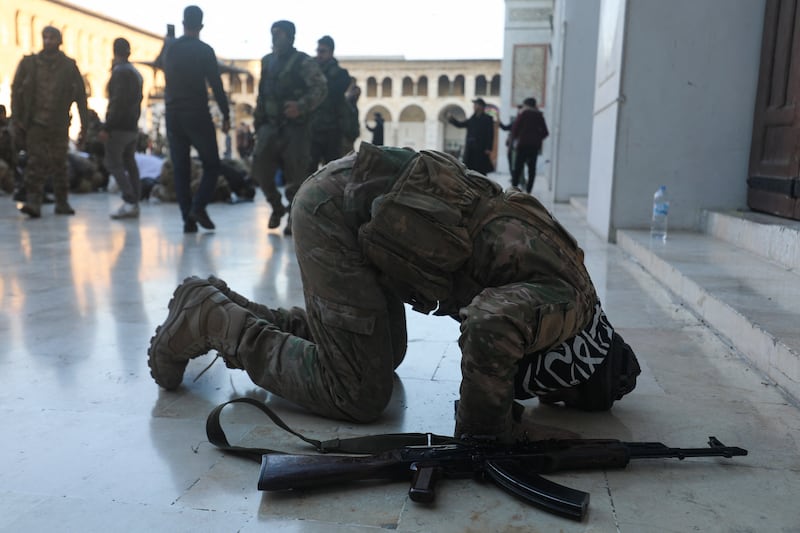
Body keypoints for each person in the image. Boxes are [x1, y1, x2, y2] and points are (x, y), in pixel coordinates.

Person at [147, 144, 641, 443]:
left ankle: (226, 308)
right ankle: (211, 320)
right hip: (340, 216)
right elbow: (491, 323)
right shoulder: (568, 308)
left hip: (364, 210)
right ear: (578, 369)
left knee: (383, 352)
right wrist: (489, 431)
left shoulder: (575, 281)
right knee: (360, 391)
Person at [251, 20, 327, 236]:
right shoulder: (267, 61)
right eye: (273, 33)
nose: (275, 38)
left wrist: (301, 106)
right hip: (270, 125)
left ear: (291, 37)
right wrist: (258, 122)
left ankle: (294, 218)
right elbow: (262, 94)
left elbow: (320, 88)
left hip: (295, 128)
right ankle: (276, 206)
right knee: (260, 170)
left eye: (280, 34)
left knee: (297, 175)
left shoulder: (303, 62)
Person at [162, 5, 231, 233]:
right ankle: (198, 206)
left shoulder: (170, 49)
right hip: (196, 113)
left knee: (181, 168)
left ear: (183, 23)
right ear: (201, 25)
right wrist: (226, 114)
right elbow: (216, 85)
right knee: (212, 164)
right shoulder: (204, 50)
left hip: (173, 114)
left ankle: (187, 221)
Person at [11, 25, 89, 218]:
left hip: (59, 123)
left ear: (59, 41)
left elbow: (81, 97)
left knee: (60, 163)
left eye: (52, 38)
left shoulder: (69, 66)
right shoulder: (30, 64)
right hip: (35, 122)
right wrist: (17, 118)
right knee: (34, 162)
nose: (47, 41)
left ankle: (62, 202)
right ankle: (33, 202)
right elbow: (16, 91)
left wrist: (84, 126)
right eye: (45, 37)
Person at [100, 37, 144, 220]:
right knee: (129, 162)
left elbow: (117, 102)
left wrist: (107, 127)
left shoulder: (120, 72)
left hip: (119, 127)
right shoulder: (135, 72)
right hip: (132, 125)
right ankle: (135, 201)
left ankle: (130, 200)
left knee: (114, 163)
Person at [308, 35, 352, 174]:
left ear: (331, 52)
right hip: (312, 129)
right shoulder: (310, 71)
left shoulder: (341, 74)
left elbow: (332, 92)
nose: (319, 55)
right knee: (308, 169)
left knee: (332, 171)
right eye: (318, 51)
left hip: (332, 130)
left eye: (323, 51)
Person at [510, 97, 549, 193]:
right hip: (534, 147)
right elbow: (545, 132)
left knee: (518, 167)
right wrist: (537, 139)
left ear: (526, 105)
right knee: (532, 169)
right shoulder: (539, 115)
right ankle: (529, 190)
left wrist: (515, 139)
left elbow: (515, 129)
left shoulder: (523, 114)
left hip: (522, 145)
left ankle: (513, 189)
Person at [447, 97, 494, 175]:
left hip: (481, 149)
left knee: (481, 170)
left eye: (476, 104)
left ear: (481, 106)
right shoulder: (472, 119)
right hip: (471, 148)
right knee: (470, 169)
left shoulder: (488, 119)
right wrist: (452, 119)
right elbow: (460, 124)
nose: (474, 106)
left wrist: (489, 148)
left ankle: (481, 185)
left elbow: (490, 134)